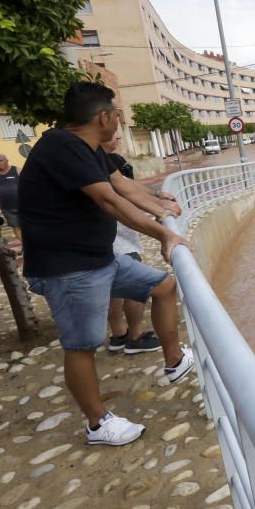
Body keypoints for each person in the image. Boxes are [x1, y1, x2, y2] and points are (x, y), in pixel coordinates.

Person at [19, 81, 194, 447]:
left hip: (99, 260)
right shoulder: (60, 146)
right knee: (82, 345)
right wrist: (164, 235)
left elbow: (123, 187)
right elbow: (109, 202)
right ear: (103, 116)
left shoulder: (90, 149)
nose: (119, 118)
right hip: (68, 269)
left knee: (163, 285)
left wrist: (163, 210)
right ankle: (98, 425)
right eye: (117, 113)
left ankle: (175, 360)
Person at [102, 131, 162, 355]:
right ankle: (135, 337)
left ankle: (119, 335)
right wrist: (160, 218)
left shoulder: (103, 159)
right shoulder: (101, 162)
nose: (117, 136)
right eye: (113, 134)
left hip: (112, 239)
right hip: (118, 240)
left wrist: (157, 196)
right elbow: (125, 191)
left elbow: (130, 186)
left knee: (114, 289)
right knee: (136, 285)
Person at [0, 153, 21, 241]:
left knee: (28, 225)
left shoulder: (17, 170)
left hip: (23, 205)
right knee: (16, 227)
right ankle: (26, 245)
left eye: (1, 160)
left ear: (7, 161)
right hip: (7, 207)